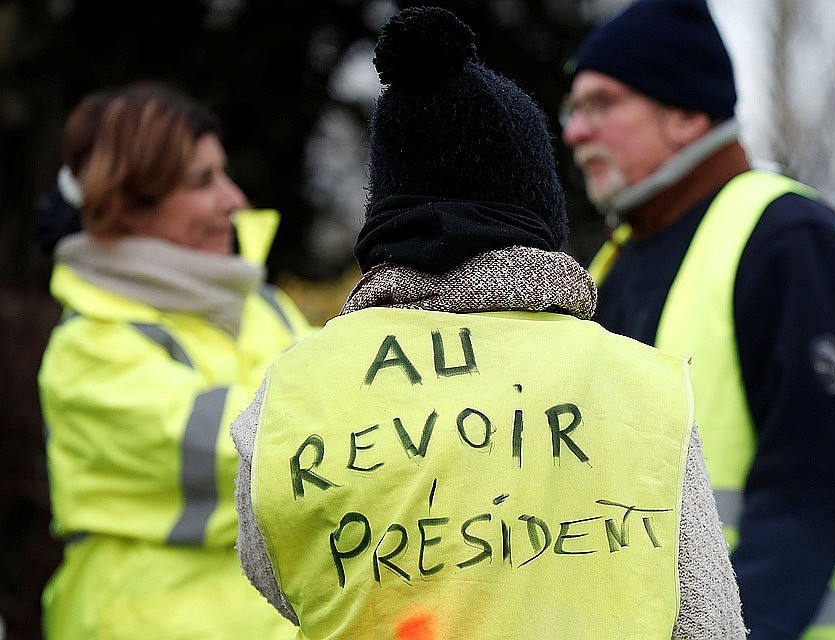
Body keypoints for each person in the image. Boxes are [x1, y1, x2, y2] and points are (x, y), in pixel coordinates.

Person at [230, 7, 745, 639]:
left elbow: (278, 573)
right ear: (539, 204)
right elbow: (710, 620)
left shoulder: (293, 392)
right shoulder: (642, 389)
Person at [560, 1, 835, 639]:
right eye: (573, 109)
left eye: (601, 104)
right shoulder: (613, 265)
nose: (575, 132)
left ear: (687, 114)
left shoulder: (789, 240)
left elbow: (806, 496)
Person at [36, 81, 313, 640]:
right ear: (126, 205)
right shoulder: (86, 350)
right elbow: (266, 455)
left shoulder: (262, 306)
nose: (235, 200)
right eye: (202, 181)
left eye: (224, 173)